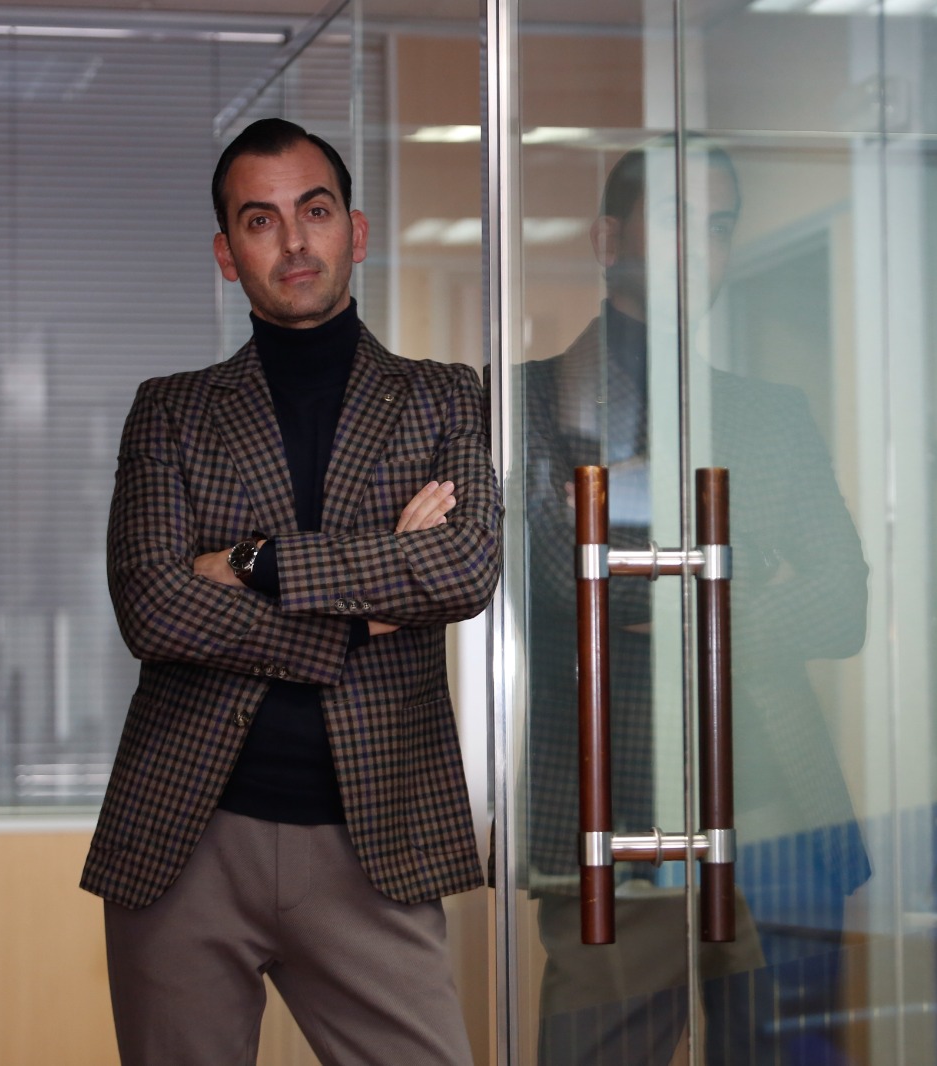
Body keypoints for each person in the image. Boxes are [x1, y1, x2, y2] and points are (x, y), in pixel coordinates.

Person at [81, 118, 501, 1066]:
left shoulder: (444, 396)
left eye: (314, 211)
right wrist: (361, 613)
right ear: (227, 256)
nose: (294, 240)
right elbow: (152, 604)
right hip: (187, 842)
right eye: (260, 221)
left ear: (357, 231)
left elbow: (464, 566)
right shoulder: (172, 410)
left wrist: (251, 562)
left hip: (374, 837)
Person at [521, 139, 870, 1064]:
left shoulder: (770, 413)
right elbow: (565, 584)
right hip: (617, 820)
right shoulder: (529, 404)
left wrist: (681, 596)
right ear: (607, 239)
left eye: (719, 227)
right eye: (677, 220)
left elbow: (843, 603)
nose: (702, 249)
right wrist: (745, 571)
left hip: (780, 816)